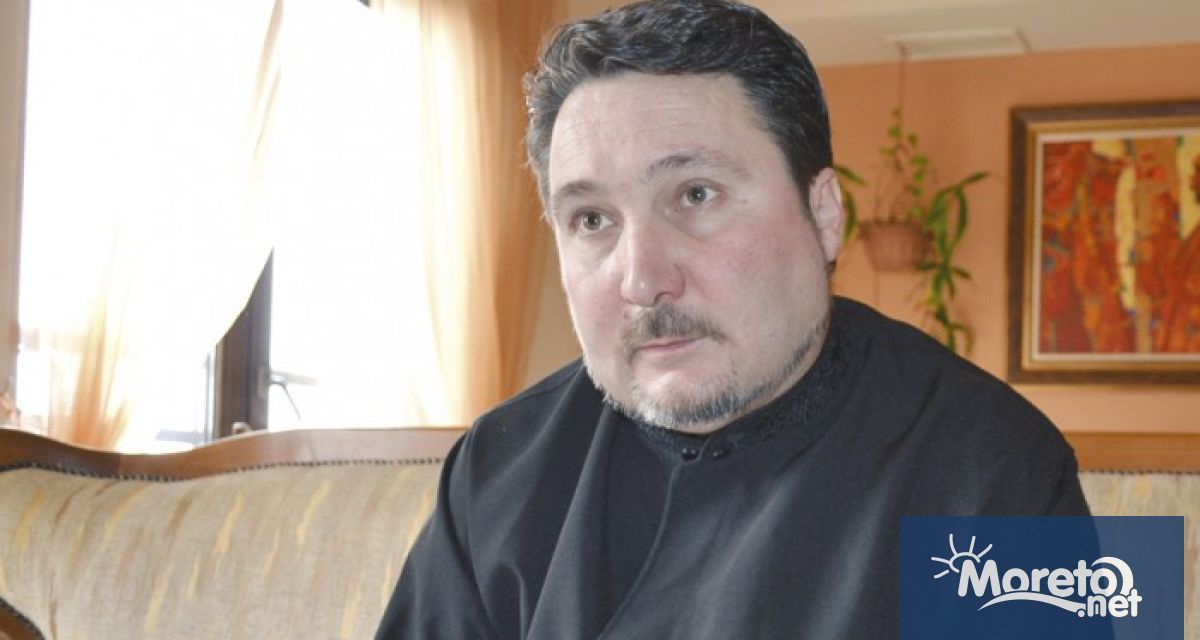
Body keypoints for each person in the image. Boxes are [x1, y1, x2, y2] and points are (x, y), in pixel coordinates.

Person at [376, 1, 1089, 637]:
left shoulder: (997, 465)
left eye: (695, 195)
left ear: (824, 216)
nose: (642, 279)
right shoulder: (497, 468)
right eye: (592, 219)